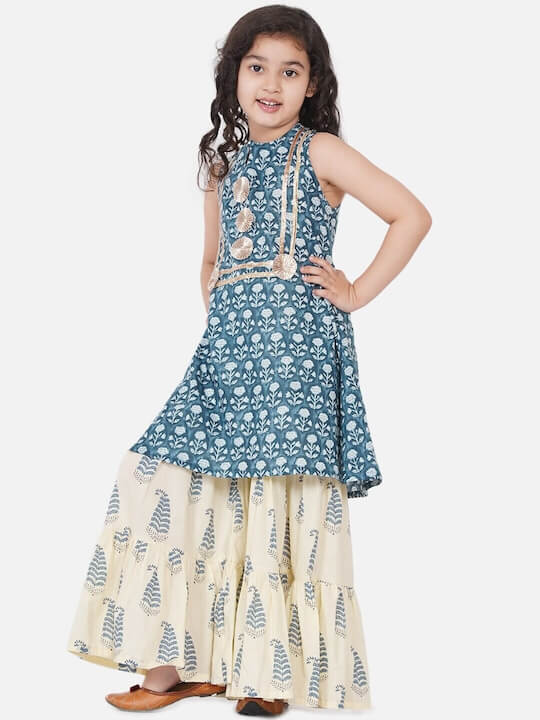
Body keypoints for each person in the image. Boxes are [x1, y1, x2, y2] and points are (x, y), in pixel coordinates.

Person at [66, 4, 431, 716]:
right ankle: (179, 666)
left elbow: (411, 215)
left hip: (295, 358)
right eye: (257, 67)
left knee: (276, 497)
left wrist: (354, 291)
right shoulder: (221, 165)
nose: (271, 84)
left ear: (312, 84)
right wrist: (229, 316)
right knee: (164, 475)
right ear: (232, 75)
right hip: (227, 357)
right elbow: (208, 262)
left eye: (290, 72)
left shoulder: (320, 151)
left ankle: (268, 678)